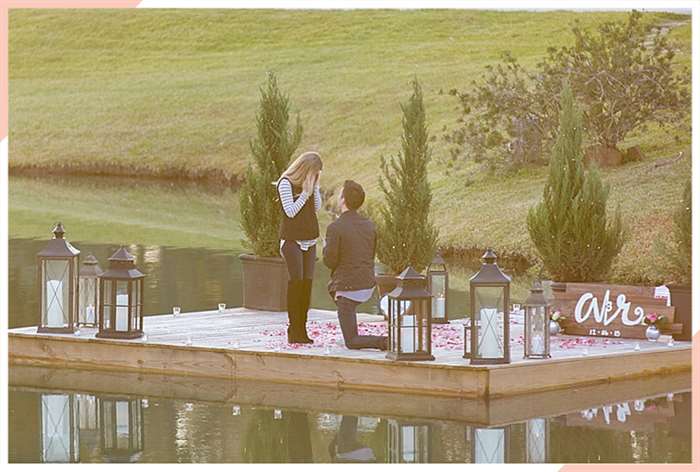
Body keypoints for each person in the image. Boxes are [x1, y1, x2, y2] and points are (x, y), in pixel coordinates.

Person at [323, 180, 388, 350]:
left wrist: (325, 246)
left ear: (343, 200)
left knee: (351, 341)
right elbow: (369, 255)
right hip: (368, 285)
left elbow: (329, 262)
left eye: (340, 194)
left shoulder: (335, 228)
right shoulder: (369, 225)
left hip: (348, 289)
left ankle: (385, 342)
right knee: (341, 295)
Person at [277, 151, 323, 344]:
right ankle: (293, 328)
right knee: (296, 283)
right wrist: (304, 193)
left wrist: (316, 188)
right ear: (306, 170)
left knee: (306, 285)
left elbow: (317, 208)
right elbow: (290, 212)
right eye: (315, 173)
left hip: (310, 240)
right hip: (292, 241)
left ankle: (302, 329)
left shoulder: (311, 186)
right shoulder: (285, 183)